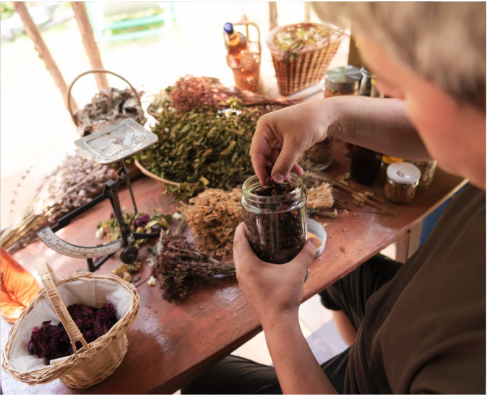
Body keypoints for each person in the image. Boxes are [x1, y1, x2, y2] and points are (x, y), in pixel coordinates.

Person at [183, 2, 485, 393]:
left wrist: (277, 316)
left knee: (202, 382)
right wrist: (328, 114)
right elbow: (452, 124)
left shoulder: (469, 373)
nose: (390, 93)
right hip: (397, 321)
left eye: (407, 83)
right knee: (340, 274)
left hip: (377, 379)